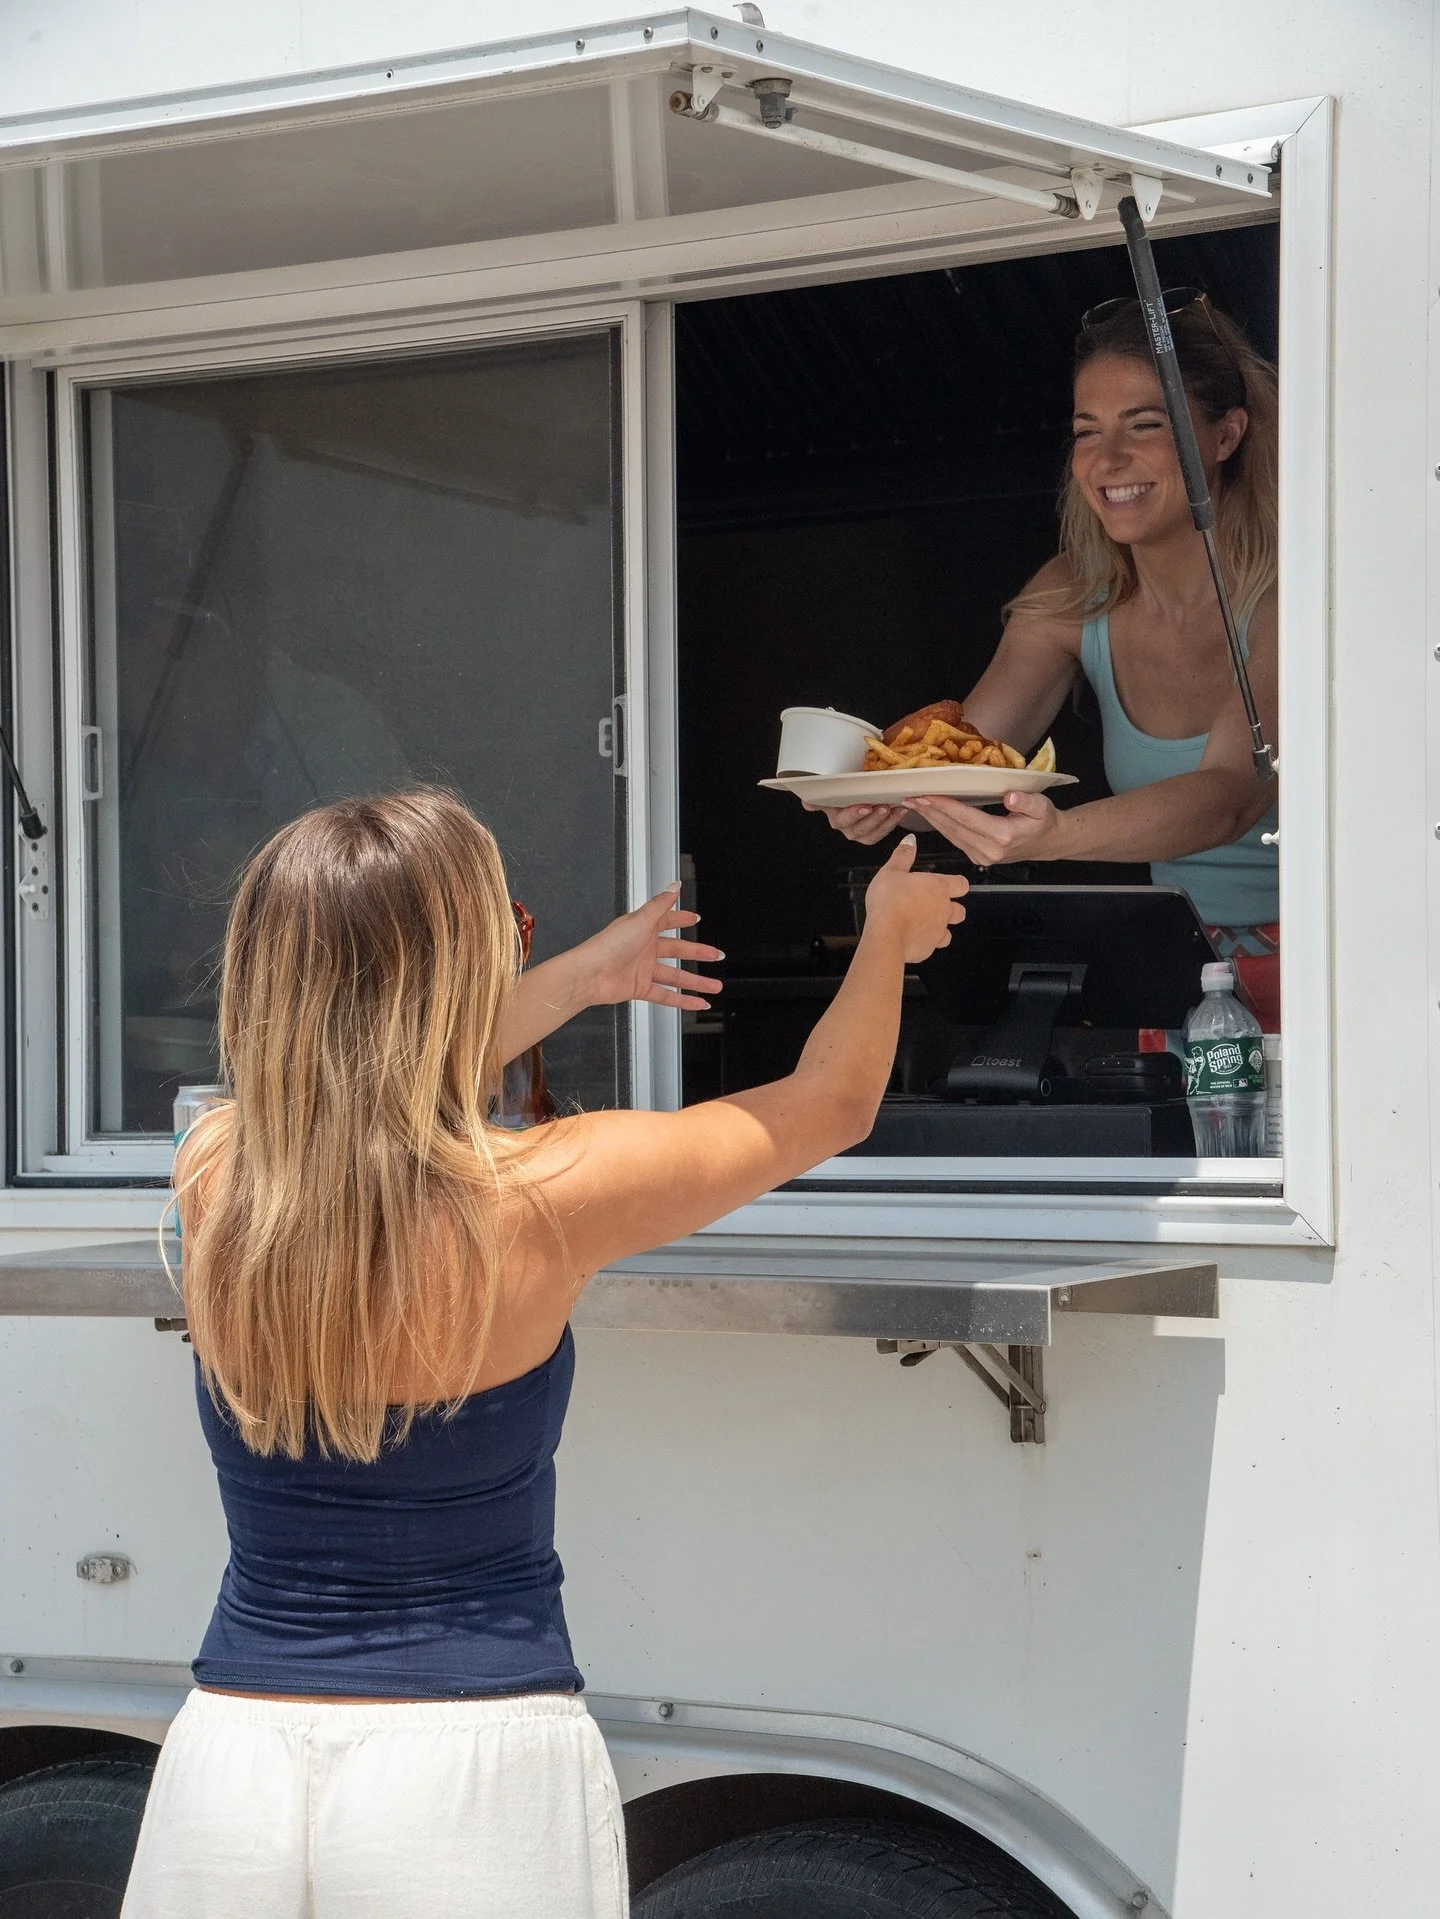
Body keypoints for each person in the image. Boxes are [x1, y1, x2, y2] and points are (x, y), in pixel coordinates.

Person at [120, 789, 965, 1919]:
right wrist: (889, 934)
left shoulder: (217, 1170)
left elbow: (364, 1076)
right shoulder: (544, 1193)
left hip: (230, 1764)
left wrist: (575, 974)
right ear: (459, 974)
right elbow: (829, 1100)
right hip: (470, 1770)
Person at [817, 292, 1281, 1029]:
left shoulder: (1290, 592)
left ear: (1227, 435)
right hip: (1183, 968)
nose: (1110, 459)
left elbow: (1231, 795)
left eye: (1147, 425)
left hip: (1335, 957)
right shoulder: (1073, 593)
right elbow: (970, 762)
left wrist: (1058, 834)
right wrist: (886, 798)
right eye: (1086, 430)